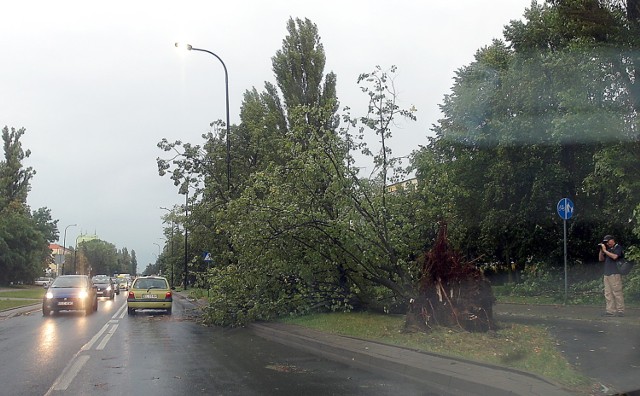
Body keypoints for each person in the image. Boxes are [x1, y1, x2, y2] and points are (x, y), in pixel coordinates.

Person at [598, 235, 625, 317]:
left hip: (615, 273)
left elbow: (615, 256)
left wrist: (605, 250)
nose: (607, 243)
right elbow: (601, 259)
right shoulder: (608, 249)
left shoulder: (618, 247)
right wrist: (601, 251)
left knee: (617, 292)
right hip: (607, 274)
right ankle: (610, 310)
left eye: (608, 241)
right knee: (608, 293)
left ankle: (620, 310)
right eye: (605, 242)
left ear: (612, 240)